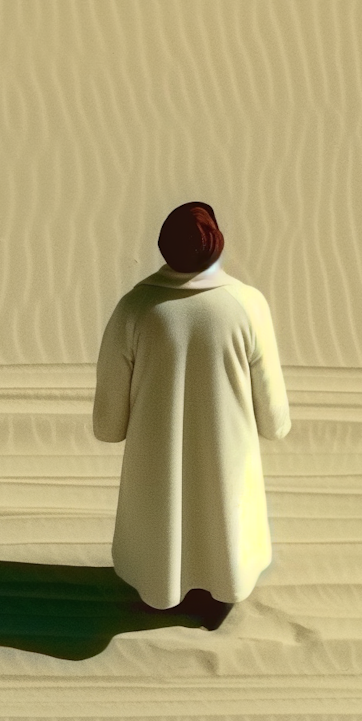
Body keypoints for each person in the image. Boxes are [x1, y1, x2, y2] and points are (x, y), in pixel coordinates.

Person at [92, 201, 291, 619]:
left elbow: (109, 421)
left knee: (161, 514)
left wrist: (114, 425)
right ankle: (224, 587)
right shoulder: (247, 305)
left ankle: (161, 586)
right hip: (229, 454)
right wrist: (275, 424)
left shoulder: (136, 308)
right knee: (225, 515)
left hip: (156, 456)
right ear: (217, 244)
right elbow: (272, 414)